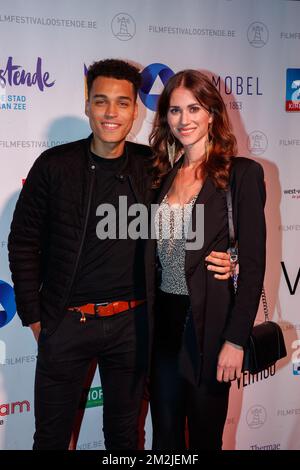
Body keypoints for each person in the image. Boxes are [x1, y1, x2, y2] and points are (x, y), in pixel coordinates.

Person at [8, 59, 232, 450]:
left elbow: (195, 217)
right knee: (50, 438)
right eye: (101, 101)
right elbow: (23, 242)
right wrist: (36, 318)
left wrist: (233, 256)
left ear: (135, 110)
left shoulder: (153, 167)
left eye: (123, 103)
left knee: (126, 439)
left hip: (132, 327)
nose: (111, 113)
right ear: (87, 105)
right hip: (66, 323)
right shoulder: (54, 166)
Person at [147, 69, 266, 450]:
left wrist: (234, 340)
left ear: (212, 113)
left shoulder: (242, 175)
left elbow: (254, 266)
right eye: (175, 110)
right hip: (162, 327)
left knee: (204, 440)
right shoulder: (160, 174)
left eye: (194, 108)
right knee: (164, 439)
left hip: (210, 330)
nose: (184, 120)